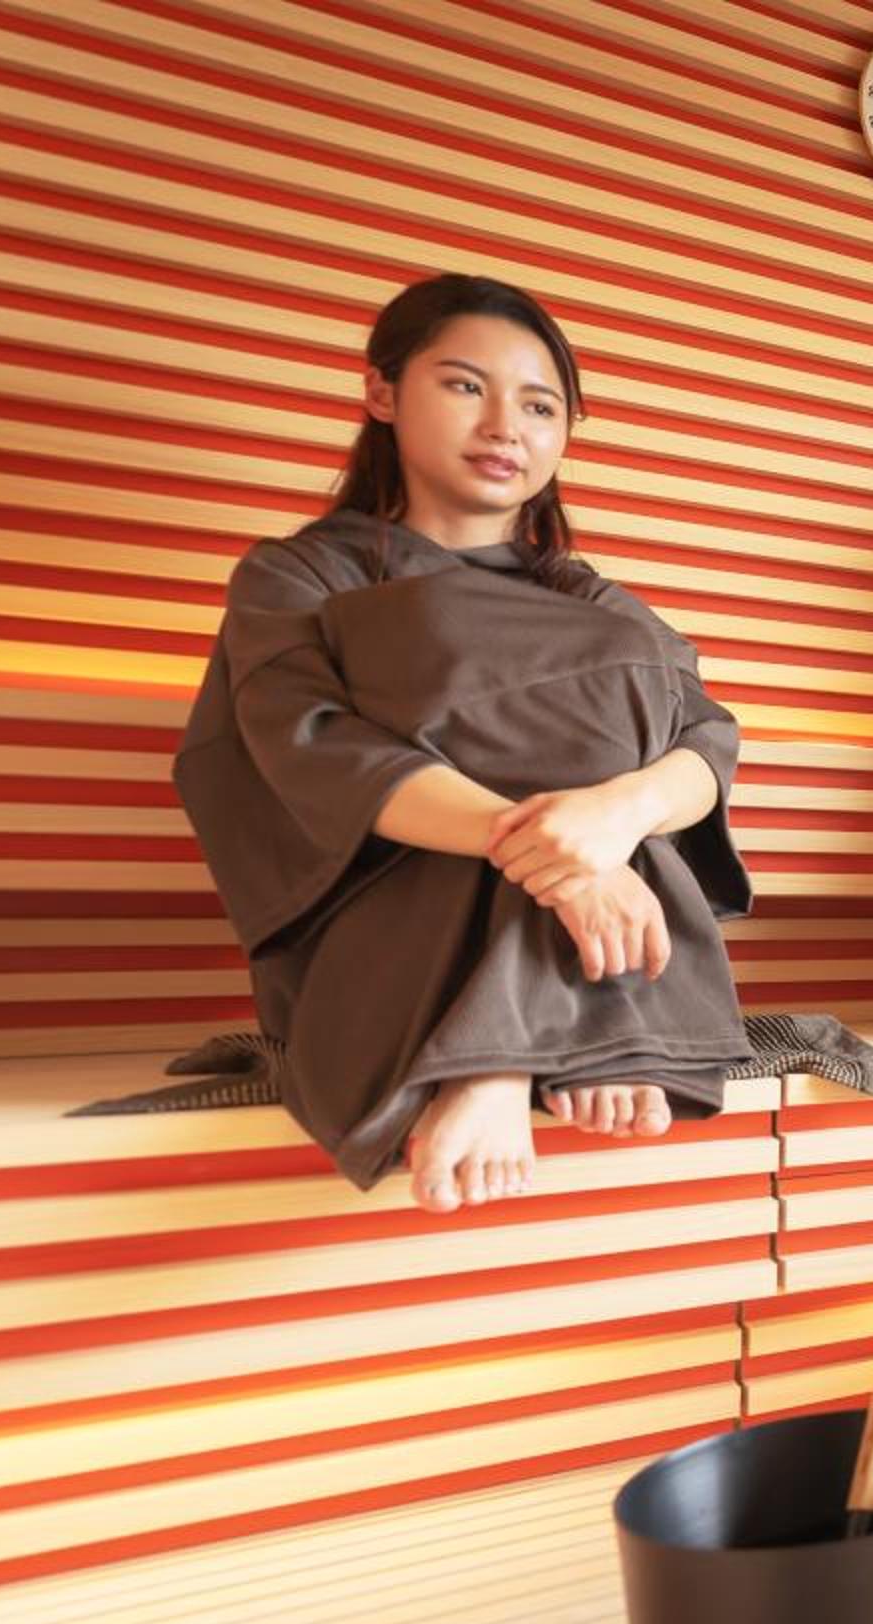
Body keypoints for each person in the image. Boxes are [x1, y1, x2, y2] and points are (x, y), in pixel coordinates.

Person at [174, 274, 751, 1215]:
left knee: (605, 746)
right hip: (387, 917)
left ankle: (503, 1051)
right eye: (465, 386)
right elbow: (315, 750)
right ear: (382, 392)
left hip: (597, 898)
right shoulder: (300, 576)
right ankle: (515, 1050)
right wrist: (561, 862)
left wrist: (613, 819)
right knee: (505, 768)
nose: (504, 427)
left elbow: (706, 737)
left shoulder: (591, 599)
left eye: (540, 406)